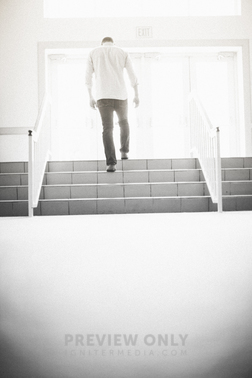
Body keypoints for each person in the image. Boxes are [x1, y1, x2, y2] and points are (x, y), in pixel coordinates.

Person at [85, 37, 139, 172]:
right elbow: (132, 74)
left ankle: (111, 163)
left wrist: (90, 96)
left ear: (101, 43)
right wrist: (136, 94)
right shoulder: (122, 52)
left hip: (102, 96)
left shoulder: (93, 52)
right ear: (113, 43)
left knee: (107, 129)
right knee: (124, 122)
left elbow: (88, 76)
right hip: (121, 94)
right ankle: (124, 151)